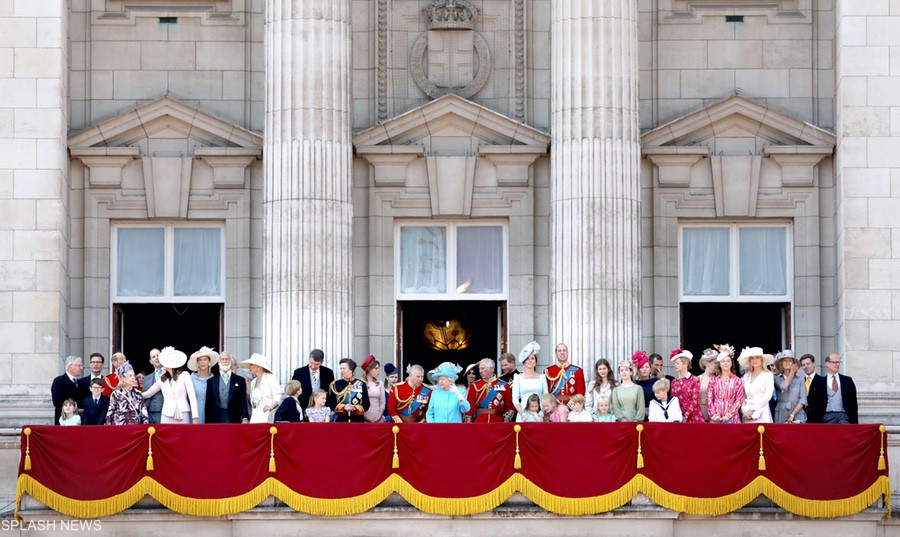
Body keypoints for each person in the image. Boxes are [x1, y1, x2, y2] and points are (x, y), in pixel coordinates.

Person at [142, 347, 200, 424]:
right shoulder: (162, 378)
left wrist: (195, 417)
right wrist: (133, 394)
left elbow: (192, 396)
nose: (161, 362)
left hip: (183, 413)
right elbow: (148, 393)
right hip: (166, 415)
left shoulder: (185, 375)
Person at [807, 353, 858, 424]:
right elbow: (812, 402)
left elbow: (853, 403)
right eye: (834, 362)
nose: (837, 364)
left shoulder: (847, 381)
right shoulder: (818, 382)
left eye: (838, 362)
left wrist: (854, 423)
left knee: (843, 434)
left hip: (843, 416)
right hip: (826, 416)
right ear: (827, 363)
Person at [205, 351, 250, 424]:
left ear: (230, 361)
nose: (224, 361)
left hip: (234, 418)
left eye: (227, 359)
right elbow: (208, 404)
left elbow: (243, 401)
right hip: (215, 419)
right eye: (222, 359)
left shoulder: (240, 380)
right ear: (218, 362)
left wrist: (245, 417)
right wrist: (207, 423)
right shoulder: (211, 381)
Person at [465, 358, 514, 423]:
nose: (480, 371)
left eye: (482, 368)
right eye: (480, 368)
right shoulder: (474, 386)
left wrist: (507, 417)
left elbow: (510, 406)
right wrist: (468, 424)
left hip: (498, 423)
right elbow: (469, 407)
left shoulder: (505, 386)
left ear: (492, 369)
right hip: (479, 423)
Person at [241, 353, 282, 424]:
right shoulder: (253, 382)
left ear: (258, 367)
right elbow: (251, 401)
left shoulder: (270, 378)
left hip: (267, 417)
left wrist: (270, 406)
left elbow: (278, 397)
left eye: (251, 364)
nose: (250, 367)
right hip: (254, 418)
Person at [512, 341, 548, 422]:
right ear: (524, 362)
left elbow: (545, 397)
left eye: (532, 358)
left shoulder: (542, 377)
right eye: (527, 359)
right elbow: (515, 399)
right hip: (523, 415)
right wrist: (522, 414)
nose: (530, 361)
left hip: (539, 415)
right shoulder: (518, 377)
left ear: (535, 362)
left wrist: (541, 413)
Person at [708, 344, 744, 424]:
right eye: (723, 361)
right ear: (719, 364)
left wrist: (728, 415)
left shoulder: (737, 381)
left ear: (731, 363)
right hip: (716, 416)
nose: (725, 363)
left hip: (732, 417)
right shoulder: (713, 380)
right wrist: (714, 415)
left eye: (728, 361)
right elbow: (709, 398)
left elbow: (739, 400)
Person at [738, 346, 774, 423]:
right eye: (752, 358)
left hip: (761, 412)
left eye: (757, 357)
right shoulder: (746, 376)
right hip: (746, 413)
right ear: (749, 361)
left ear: (762, 359)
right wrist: (743, 409)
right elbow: (742, 395)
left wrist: (753, 409)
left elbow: (768, 395)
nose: (755, 360)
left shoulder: (768, 374)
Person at [327, 358, 370, 422]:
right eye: (341, 369)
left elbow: (366, 403)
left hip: (357, 420)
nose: (341, 371)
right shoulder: (336, 384)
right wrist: (344, 407)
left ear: (351, 370)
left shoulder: (361, 384)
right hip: (341, 420)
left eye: (344, 368)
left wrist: (355, 408)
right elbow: (332, 403)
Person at [51, 355, 87, 425]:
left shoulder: (80, 383)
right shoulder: (59, 381)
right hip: (64, 421)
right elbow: (56, 401)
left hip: (78, 422)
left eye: (81, 366)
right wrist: (72, 408)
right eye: (79, 366)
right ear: (70, 366)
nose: (81, 368)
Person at [773, 350, 807, 423]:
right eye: (785, 360)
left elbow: (803, 400)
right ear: (781, 363)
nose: (787, 362)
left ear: (794, 364)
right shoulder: (776, 378)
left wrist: (792, 415)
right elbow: (783, 387)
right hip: (781, 413)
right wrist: (792, 372)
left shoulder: (800, 379)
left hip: (797, 413)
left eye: (790, 360)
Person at [670, 349, 702, 423]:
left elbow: (695, 400)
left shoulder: (694, 379)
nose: (675, 365)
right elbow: (673, 400)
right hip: (678, 416)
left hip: (693, 416)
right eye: (675, 363)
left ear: (685, 364)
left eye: (677, 363)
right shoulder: (674, 382)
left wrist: (686, 416)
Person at [187, 346, 218, 423]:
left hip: (210, 412)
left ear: (209, 362)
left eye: (205, 359)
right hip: (195, 413)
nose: (202, 362)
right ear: (197, 362)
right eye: (200, 360)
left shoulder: (214, 379)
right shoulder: (191, 378)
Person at [360, 355, 386, 423]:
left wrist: (379, 416)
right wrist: (367, 418)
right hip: (364, 418)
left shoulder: (380, 383)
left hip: (378, 418)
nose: (378, 371)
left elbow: (382, 403)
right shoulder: (360, 383)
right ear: (369, 369)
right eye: (376, 368)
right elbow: (358, 403)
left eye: (378, 368)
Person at [698, 348, 719, 422]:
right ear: (707, 363)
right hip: (700, 413)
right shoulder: (697, 379)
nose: (717, 365)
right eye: (715, 363)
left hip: (715, 414)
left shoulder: (718, 379)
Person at [143, 348, 164, 424]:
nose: (156, 358)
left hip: (166, 413)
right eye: (153, 357)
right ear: (150, 361)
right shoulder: (146, 378)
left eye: (158, 355)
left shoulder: (170, 374)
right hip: (149, 414)